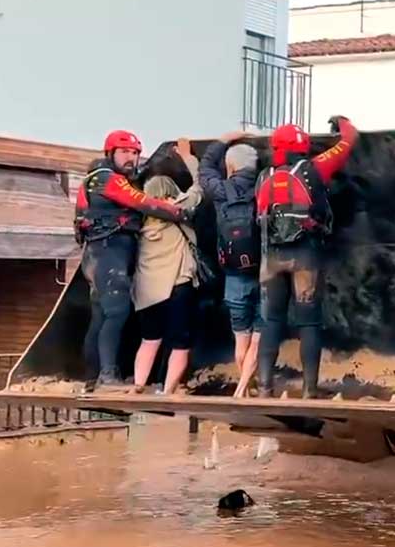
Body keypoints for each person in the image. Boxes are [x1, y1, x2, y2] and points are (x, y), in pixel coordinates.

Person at [254, 116, 360, 399]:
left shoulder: (264, 176)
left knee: (272, 321)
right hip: (306, 255)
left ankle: (264, 387)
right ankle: (309, 389)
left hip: (272, 257)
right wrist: (342, 122)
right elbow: (349, 141)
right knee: (309, 322)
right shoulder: (314, 168)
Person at [74, 130, 186, 391]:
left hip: (99, 253)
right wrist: (177, 211)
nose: (131, 158)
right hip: (108, 252)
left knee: (102, 315)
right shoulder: (107, 179)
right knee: (116, 312)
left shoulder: (96, 178)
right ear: (109, 153)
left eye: (135, 153)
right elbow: (143, 202)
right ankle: (108, 375)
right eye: (124, 152)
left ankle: (92, 376)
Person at [130, 140, 205, 395]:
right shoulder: (175, 208)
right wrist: (188, 157)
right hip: (178, 285)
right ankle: (169, 390)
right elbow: (199, 187)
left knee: (149, 340)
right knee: (180, 344)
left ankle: (138, 386)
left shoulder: (139, 224)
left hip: (147, 291)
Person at [196, 131, 264, 398]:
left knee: (241, 337)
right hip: (263, 272)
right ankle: (244, 388)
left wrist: (223, 139)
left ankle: (243, 391)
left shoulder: (221, 190)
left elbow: (204, 168)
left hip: (233, 275)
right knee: (258, 339)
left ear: (231, 166)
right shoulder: (263, 187)